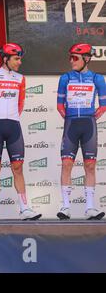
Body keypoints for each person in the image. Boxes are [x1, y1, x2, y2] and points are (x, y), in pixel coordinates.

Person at [0, 43, 41, 221]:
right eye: (16, 58)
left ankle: (24, 208)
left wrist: (12, 117)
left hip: (14, 125)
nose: (20, 62)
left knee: (18, 167)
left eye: (20, 58)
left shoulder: (20, 78)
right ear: (5, 59)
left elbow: (21, 103)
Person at [56, 43, 106, 220]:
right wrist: (69, 117)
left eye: (75, 58)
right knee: (67, 164)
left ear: (86, 59)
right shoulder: (65, 78)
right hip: (71, 125)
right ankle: (65, 206)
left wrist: (91, 117)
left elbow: (103, 105)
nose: (71, 61)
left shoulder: (98, 79)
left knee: (90, 165)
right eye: (70, 57)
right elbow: (60, 105)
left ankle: (90, 207)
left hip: (88, 126)